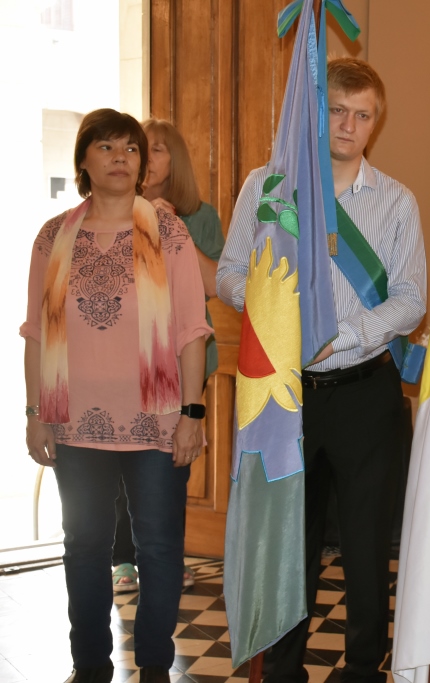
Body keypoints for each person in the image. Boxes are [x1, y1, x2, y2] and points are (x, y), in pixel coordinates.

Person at [217, 56, 426, 683]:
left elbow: (412, 297)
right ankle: (284, 669)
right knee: (289, 543)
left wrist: (342, 335)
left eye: (362, 116)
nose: (348, 125)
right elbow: (228, 273)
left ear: (375, 124)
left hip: (366, 394)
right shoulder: (268, 185)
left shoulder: (395, 200)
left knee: (367, 550)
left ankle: (363, 669)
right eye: (337, 110)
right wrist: (274, 312)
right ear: (315, 112)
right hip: (287, 395)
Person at [22, 109, 211, 683]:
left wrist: (192, 412)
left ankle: (154, 663)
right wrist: (35, 414)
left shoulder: (167, 230)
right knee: (83, 547)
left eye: (132, 148)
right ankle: (89, 665)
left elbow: (191, 328)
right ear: (83, 160)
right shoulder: (54, 236)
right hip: (75, 423)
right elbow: (35, 332)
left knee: (157, 549)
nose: (123, 157)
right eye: (107, 147)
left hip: (155, 422)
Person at [110, 118, 225, 593]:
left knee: (175, 466)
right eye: (139, 148)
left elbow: (213, 284)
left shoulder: (202, 217)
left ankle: (168, 558)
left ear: (173, 159)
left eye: (154, 149)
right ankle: (122, 559)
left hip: (183, 365)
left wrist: (172, 226)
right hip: (124, 365)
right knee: (120, 467)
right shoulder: (115, 211)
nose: (143, 157)